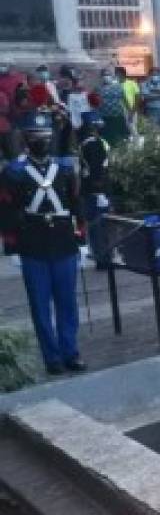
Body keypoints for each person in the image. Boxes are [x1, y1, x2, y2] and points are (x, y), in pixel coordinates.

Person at [0, 109, 86, 374]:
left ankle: (70, 352)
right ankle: (52, 358)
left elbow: (75, 204)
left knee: (67, 303)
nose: (42, 140)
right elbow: (6, 211)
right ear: (26, 139)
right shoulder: (13, 172)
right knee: (40, 305)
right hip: (33, 243)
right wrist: (11, 247)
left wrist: (81, 238)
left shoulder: (64, 168)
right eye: (36, 136)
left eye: (46, 135)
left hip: (63, 241)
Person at [77, 111, 111, 268]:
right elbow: (97, 168)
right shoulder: (94, 143)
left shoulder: (88, 143)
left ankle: (102, 258)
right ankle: (104, 258)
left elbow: (94, 168)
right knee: (100, 226)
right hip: (97, 191)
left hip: (92, 191)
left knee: (97, 226)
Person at [97, 68, 130, 146]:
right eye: (104, 75)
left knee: (121, 137)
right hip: (105, 117)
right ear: (101, 77)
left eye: (108, 74)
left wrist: (130, 112)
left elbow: (124, 99)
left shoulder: (118, 86)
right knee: (107, 139)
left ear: (112, 76)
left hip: (118, 115)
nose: (106, 76)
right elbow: (95, 103)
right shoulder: (98, 89)